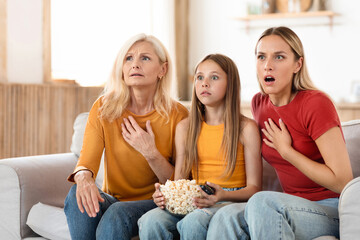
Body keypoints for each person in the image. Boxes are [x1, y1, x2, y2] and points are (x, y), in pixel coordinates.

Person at [207, 26, 354, 240]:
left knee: (263, 202)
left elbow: (343, 181)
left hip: (330, 209)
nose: (268, 65)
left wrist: (288, 151)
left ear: (298, 64)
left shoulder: (315, 104)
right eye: (261, 57)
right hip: (287, 204)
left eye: (279, 57)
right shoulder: (259, 103)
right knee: (225, 216)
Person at [64, 33, 188, 240]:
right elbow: (87, 161)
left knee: (118, 213)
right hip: (114, 200)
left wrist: (151, 153)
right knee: (75, 196)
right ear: (121, 68)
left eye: (145, 58)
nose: (135, 64)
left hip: (156, 203)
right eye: (128, 58)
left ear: (163, 69)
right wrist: (84, 177)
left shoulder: (178, 115)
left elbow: (180, 188)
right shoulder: (104, 108)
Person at [138, 53, 262, 240]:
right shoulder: (185, 128)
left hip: (230, 201)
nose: (204, 83)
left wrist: (220, 196)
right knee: (150, 220)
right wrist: (166, 193)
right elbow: (180, 180)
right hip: (196, 198)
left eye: (214, 77)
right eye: (199, 77)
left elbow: (254, 188)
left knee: (192, 222)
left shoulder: (246, 128)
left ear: (231, 84)